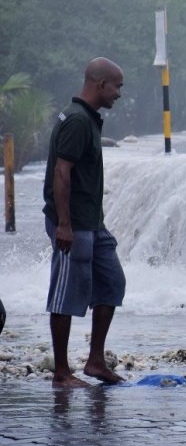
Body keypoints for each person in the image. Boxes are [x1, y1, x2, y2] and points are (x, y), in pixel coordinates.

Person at [42, 57, 126, 388]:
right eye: (117, 86)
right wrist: (64, 224)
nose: (119, 93)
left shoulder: (87, 118)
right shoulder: (77, 120)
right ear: (100, 84)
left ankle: (95, 361)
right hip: (73, 224)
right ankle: (62, 371)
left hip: (93, 223)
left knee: (112, 283)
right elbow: (62, 172)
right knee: (66, 294)